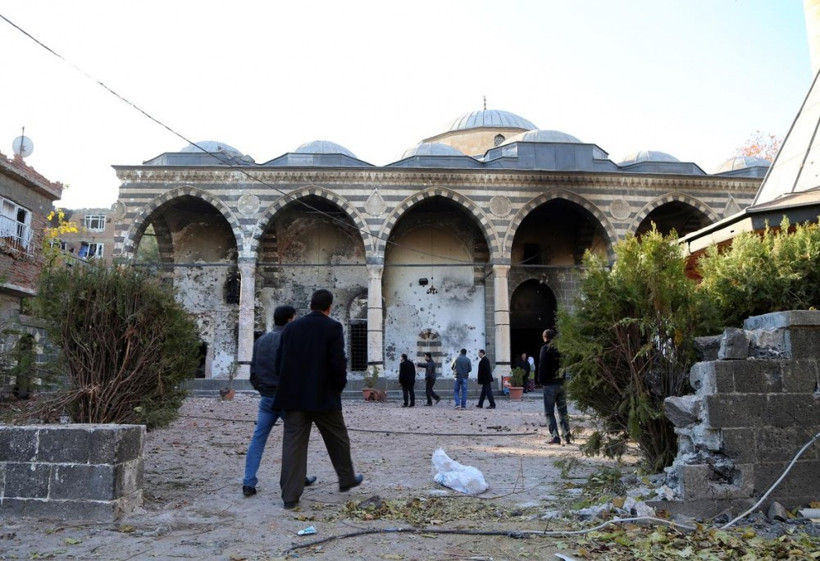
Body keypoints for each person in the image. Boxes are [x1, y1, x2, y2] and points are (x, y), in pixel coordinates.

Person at [273, 289, 363, 509]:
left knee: (293, 446)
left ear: (310, 305)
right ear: (329, 307)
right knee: (338, 438)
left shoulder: (291, 328)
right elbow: (338, 363)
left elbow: (279, 362)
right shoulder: (332, 327)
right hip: (324, 397)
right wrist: (337, 388)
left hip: (294, 398)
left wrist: (288, 387)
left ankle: (290, 497)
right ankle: (346, 478)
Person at [242, 305, 317, 497]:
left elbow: (253, 372)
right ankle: (298, 478)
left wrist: (263, 389)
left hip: (267, 398)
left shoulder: (261, 340)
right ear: (290, 319)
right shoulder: (293, 340)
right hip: (287, 399)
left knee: (258, 439)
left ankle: (248, 482)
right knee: (295, 441)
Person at [539, 328, 571, 445]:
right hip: (561, 383)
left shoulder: (545, 349)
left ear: (545, 338)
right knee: (563, 411)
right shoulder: (561, 349)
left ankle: (555, 437)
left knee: (549, 412)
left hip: (549, 384)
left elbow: (542, 366)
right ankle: (567, 436)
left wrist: (541, 381)